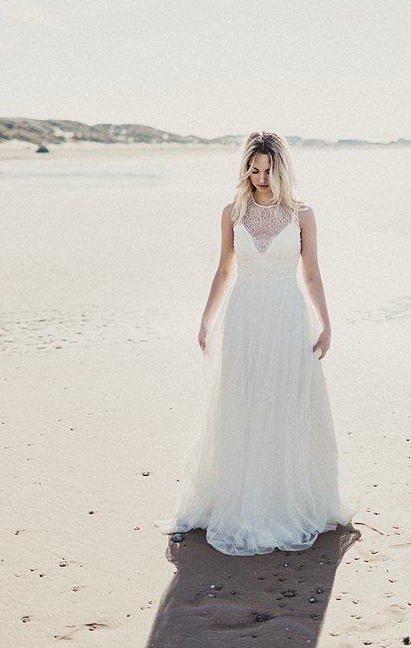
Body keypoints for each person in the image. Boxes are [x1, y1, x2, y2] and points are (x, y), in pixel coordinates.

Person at [154, 131, 358, 555]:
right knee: (242, 405)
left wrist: (327, 324)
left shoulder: (302, 214)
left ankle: (282, 502)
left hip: (286, 317)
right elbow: (224, 270)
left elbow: (312, 273)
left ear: (281, 169)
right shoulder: (232, 212)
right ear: (246, 168)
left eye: (269, 170)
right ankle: (239, 501)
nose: (261, 178)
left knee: (284, 406)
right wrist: (206, 319)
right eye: (255, 169)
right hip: (244, 318)